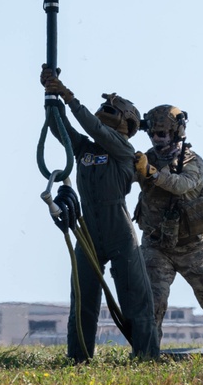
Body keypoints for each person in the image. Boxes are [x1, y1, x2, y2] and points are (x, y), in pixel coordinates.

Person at [40, 65, 160, 362]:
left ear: (127, 122)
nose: (106, 109)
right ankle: (78, 358)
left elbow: (96, 128)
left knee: (135, 299)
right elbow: (60, 130)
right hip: (89, 229)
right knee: (83, 299)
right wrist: (50, 98)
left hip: (118, 229)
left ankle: (146, 358)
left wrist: (68, 97)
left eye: (113, 108)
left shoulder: (123, 149)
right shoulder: (86, 149)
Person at [133, 104, 203, 357]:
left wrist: (150, 173)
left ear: (177, 133)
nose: (157, 138)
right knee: (150, 306)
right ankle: (146, 356)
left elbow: (181, 184)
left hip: (193, 248)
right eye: (154, 133)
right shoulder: (143, 160)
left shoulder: (192, 161)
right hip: (156, 246)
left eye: (163, 133)